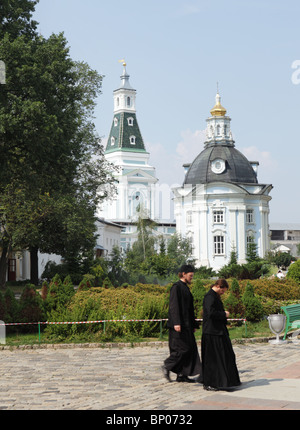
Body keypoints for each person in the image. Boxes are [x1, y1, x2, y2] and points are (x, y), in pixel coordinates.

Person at [162, 264, 202, 383]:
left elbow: (189, 309)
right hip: (179, 325)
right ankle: (167, 365)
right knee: (181, 349)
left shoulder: (186, 288)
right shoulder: (176, 287)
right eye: (190, 276)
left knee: (189, 350)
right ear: (183, 274)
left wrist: (194, 324)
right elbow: (174, 307)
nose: (191, 278)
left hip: (187, 325)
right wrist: (176, 323)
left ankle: (182, 375)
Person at [201, 279, 241, 391]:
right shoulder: (209, 296)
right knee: (212, 359)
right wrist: (224, 314)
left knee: (226, 356)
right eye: (223, 290)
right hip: (211, 332)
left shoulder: (214, 296)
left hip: (218, 331)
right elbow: (210, 313)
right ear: (218, 286)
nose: (223, 293)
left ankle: (226, 381)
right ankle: (209, 383)